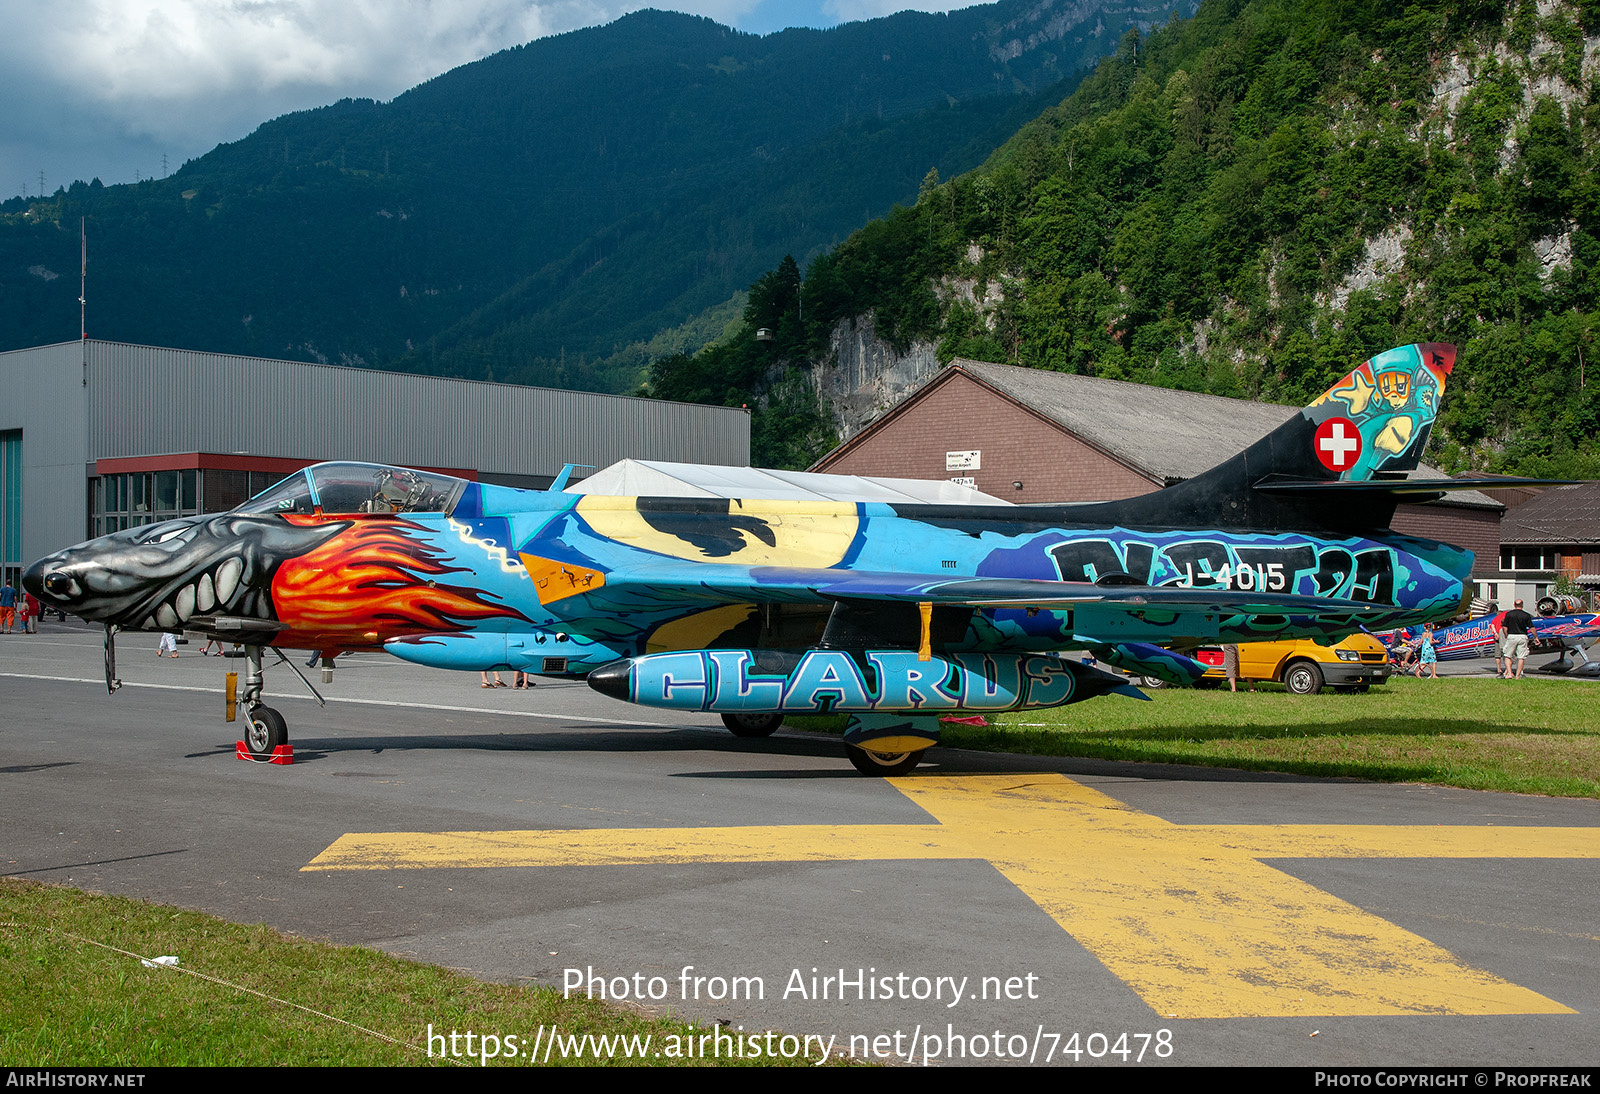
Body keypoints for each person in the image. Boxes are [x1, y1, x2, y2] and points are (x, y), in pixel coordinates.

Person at [1498, 599, 1534, 679]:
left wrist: (1506, 635)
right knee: (1521, 657)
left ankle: (1509, 673)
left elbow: (1505, 627)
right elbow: (1532, 627)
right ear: (1522, 605)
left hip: (1512, 636)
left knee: (1507, 655)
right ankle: (1518, 675)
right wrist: (1536, 637)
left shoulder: (1509, 614)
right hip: (1522, 636)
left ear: (1514, 605)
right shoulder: (1526, 615)